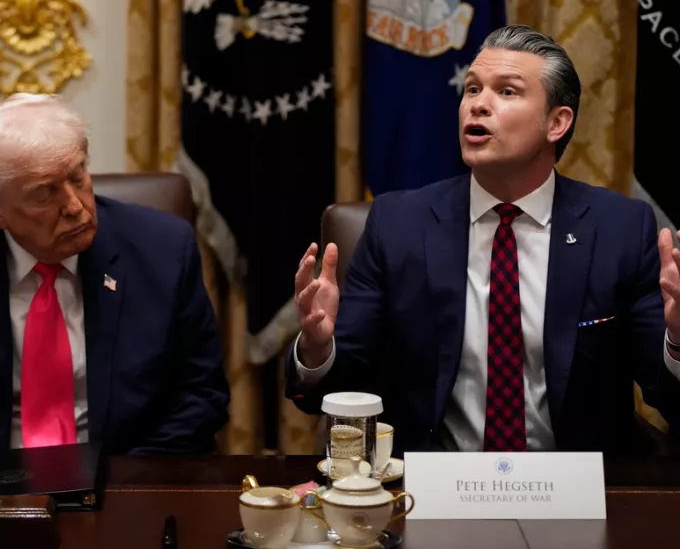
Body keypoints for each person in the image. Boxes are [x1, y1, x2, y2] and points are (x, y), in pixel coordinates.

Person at [288, 25, 680, 454]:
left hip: (573, 485)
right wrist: (317, 347)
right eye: (472, 88)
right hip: (432, 484)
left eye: (507, 91)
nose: (478, 104)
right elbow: (333, 389)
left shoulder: (620, 228)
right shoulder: (398, 224)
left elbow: (667, 395)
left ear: (556, 122)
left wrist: (678, 341)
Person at [0, 93, 229, 455]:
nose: (75, 207)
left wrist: (123, 480)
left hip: (125, 469)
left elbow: (201, 394)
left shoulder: (163, 249)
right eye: (43, 195)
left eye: (78, 177)